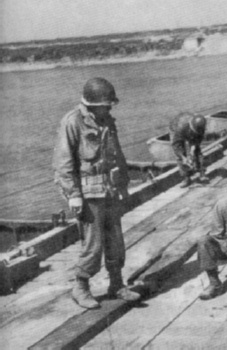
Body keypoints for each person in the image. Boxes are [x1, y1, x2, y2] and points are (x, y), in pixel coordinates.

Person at [53, 78, 140, 309]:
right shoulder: (72, 122)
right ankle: (80, 287)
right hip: (88, 194)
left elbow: (117, 155)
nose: (110, 107)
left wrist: (123, 186)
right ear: (93, 104)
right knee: (93, 244)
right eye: (106, 104)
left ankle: (117, 284)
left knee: (116, 241)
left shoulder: (108, 121)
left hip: (110, 191)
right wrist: (73, 194)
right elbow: (63, 163)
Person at [169, 112, 208, 188]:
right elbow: (176, 146)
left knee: (197, 151)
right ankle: (186, 178)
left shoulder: (200, 126)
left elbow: (198, 139)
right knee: (180, 156)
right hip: (176, 128)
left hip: (188, 128)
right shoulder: (180, 128)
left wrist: (193, 149)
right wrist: (184, 157)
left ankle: (201, 173)